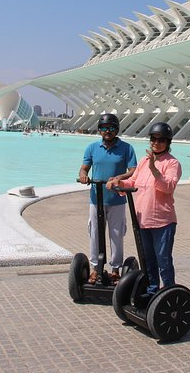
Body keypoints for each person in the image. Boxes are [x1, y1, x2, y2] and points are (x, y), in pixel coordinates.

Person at [108, 122, 181, 296]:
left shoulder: (172, 163)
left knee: (163, 259)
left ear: (168, 142)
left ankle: (169, 291)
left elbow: (168, 187)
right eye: (153, 139)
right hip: (142, 219)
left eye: (161, 140)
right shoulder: (144, 161)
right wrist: (119, 183)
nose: (156, 143)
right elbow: (133, 182)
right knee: (148, 259)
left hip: (163, 221)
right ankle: (152, 290)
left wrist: (154, 169)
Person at [79, 113, 137, 284]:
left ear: (116, 130)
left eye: (111, 128)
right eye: (104, 129)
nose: (107, 131)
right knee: (95, 234)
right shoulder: (92, 148)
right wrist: (83, 175)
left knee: (116, 235)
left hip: (117, 199)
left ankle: (115, 269)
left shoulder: (127, 148)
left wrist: (119, 177)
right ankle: (96, 268)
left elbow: (133, 169)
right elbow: (83, 169)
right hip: (96, 199)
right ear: (99, 130)